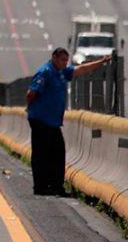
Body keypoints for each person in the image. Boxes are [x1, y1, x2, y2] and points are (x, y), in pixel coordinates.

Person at [26, 48, 111, 196]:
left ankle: (56, 186)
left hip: (53, 122)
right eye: (62, 60)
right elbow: (31, 93)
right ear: (54, 58)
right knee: (41, 154)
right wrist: (30, 109)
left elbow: (81, 69)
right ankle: (40, 187)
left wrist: (101, 62)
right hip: (41, 119)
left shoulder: (61, 72)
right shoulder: (45, 72)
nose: (65, 63)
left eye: (66, 60)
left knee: (58, 153)